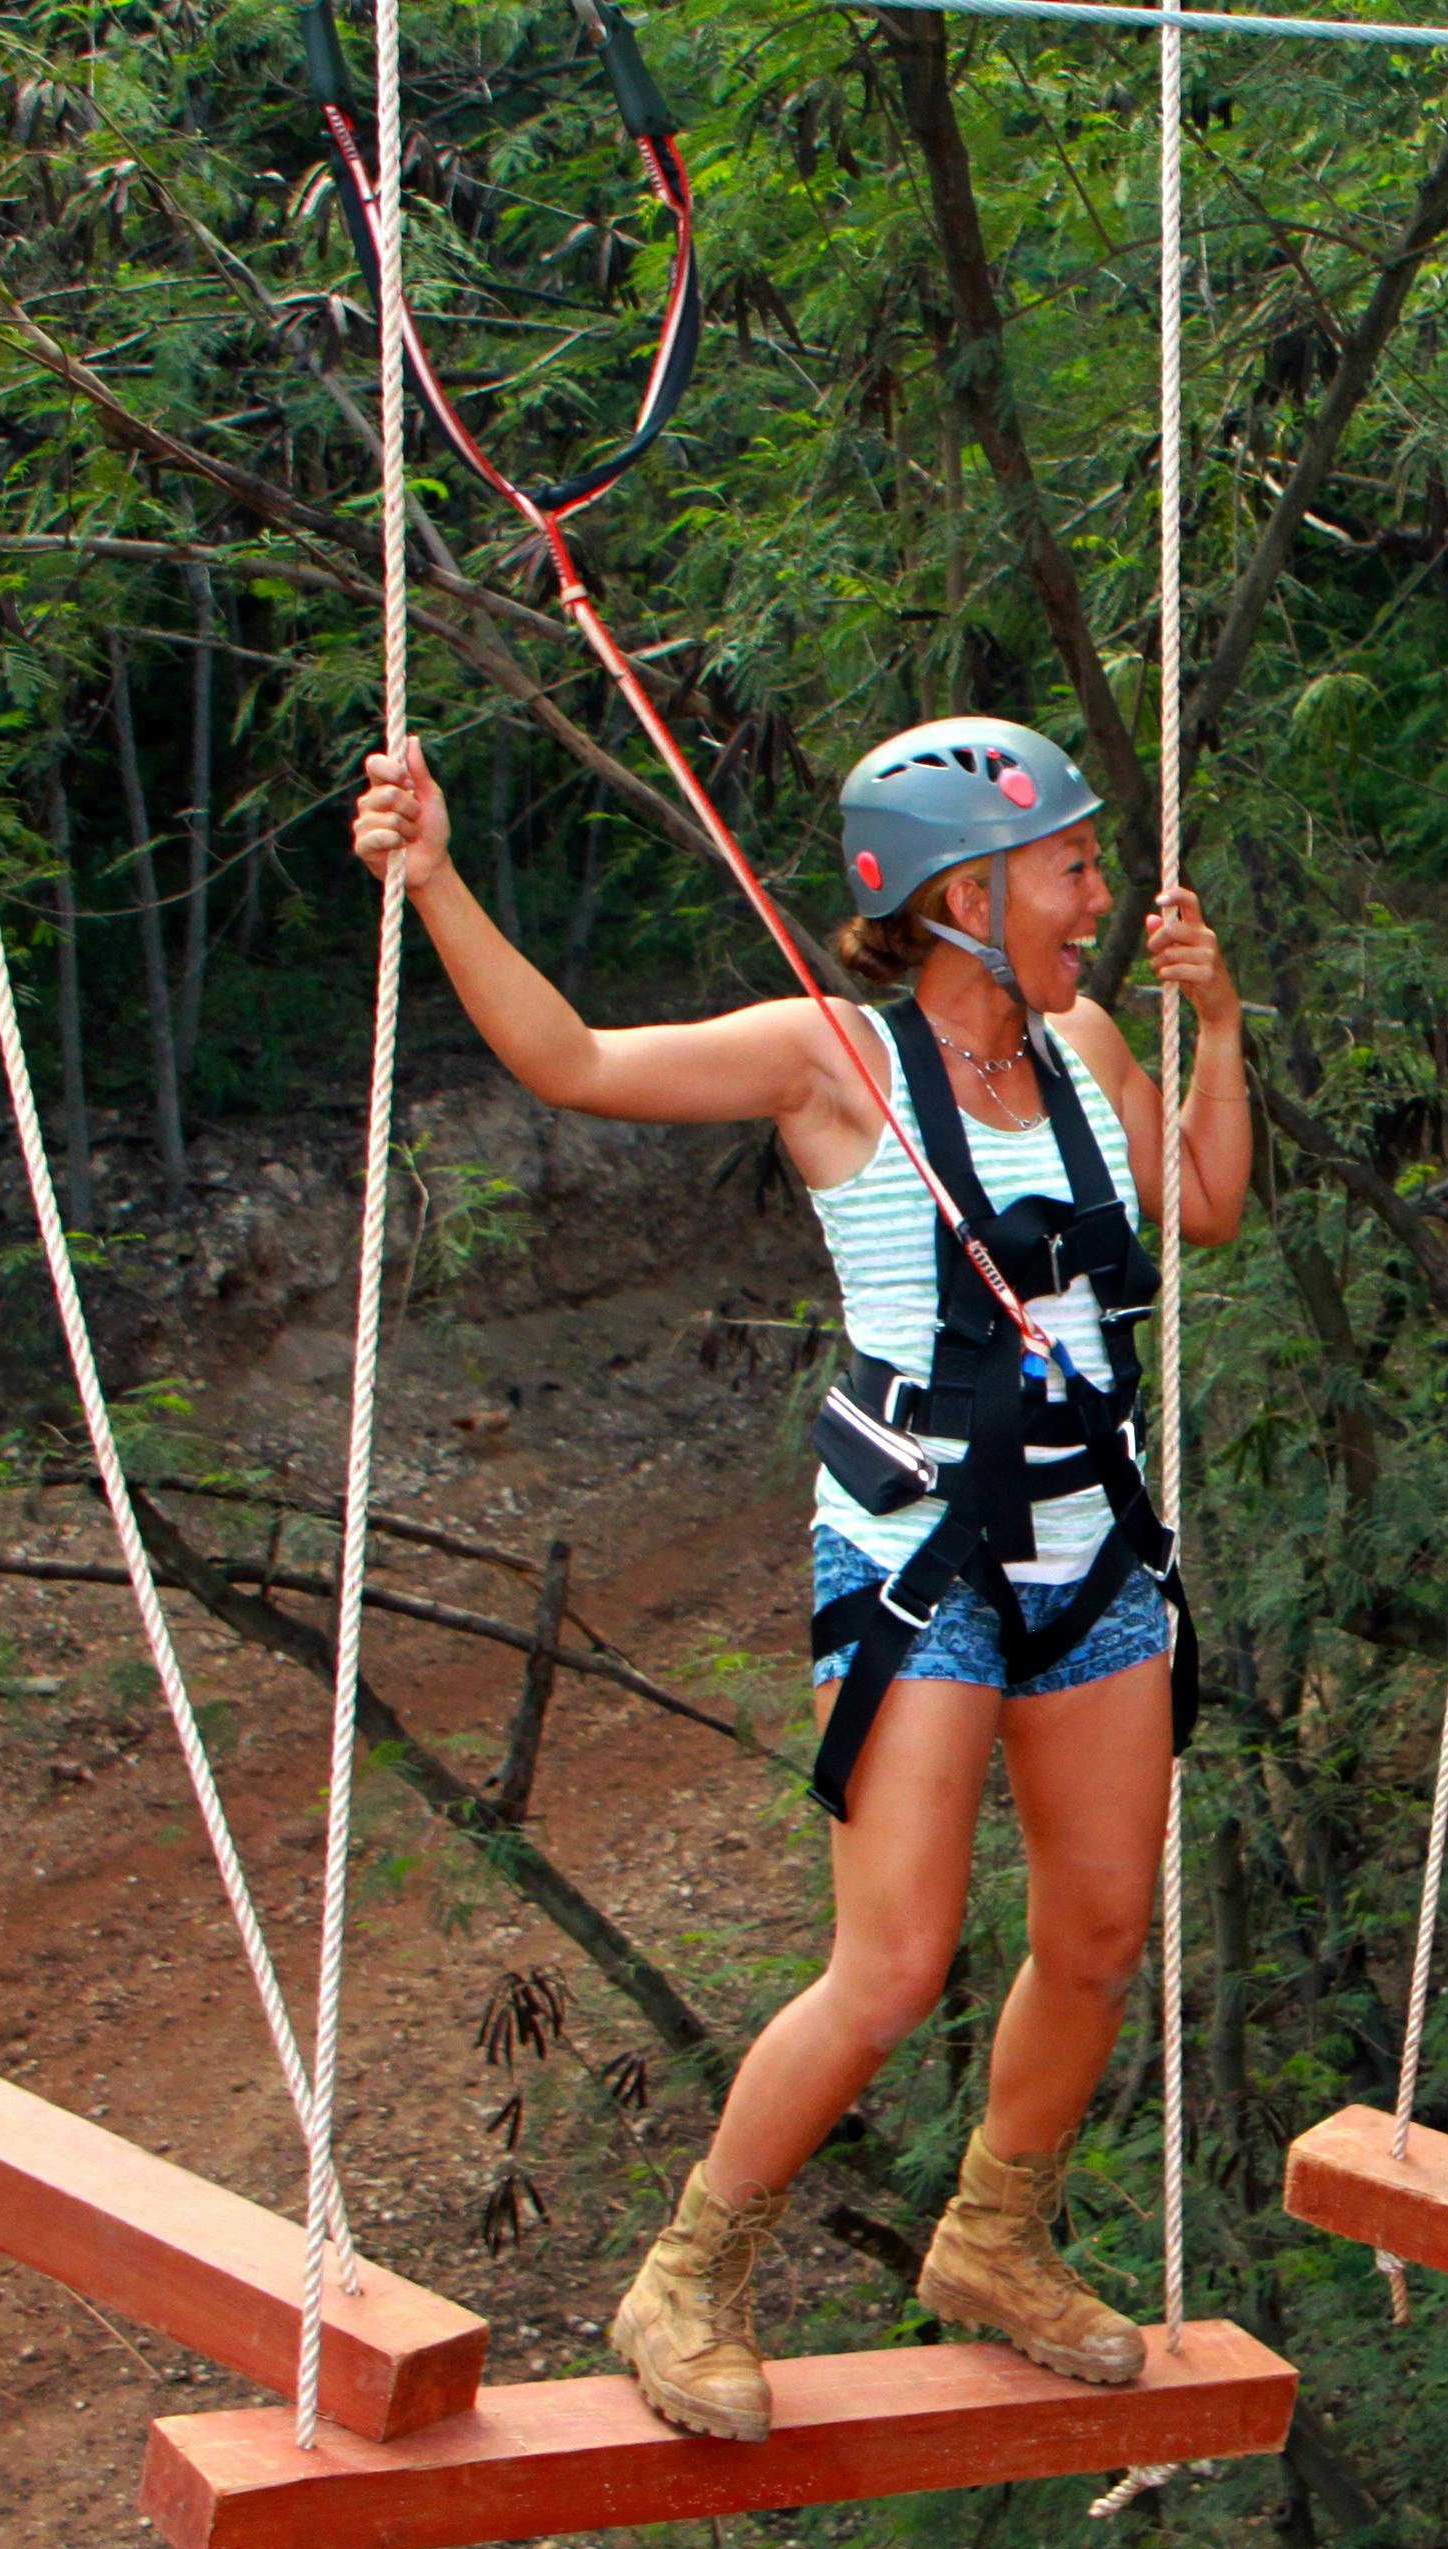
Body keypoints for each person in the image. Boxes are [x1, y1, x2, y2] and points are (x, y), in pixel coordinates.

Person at [349, 717, 1250, 2441]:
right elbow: (572, 1062)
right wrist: (438, 880)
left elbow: (1202, 1204)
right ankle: (687, 2275)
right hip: (924, 1557)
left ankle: (995, 2238)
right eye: (1072, 868)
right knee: (894, 1962)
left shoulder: (1085, 1043)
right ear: (965, 898)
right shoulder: (831, 1059)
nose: (1102, 897)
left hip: (1093, 1546)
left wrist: (1211, 1028)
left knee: (1097, 1935)